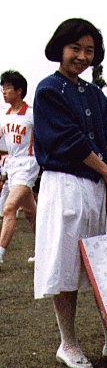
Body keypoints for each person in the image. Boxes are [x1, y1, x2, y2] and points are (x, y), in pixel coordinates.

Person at [33, 18, 107, 368]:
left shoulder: (95, 94)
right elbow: (69, 140)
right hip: (65, 184)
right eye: (76, 48)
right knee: (65, 263)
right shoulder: (48, 90)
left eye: (89, 51)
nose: (82, 57)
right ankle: (67, 343)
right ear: (60, 48)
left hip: (98, 184)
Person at [0, 70, 39, 267]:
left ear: (19, 90)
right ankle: (44, 251)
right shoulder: (4, 116)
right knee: (30, 213)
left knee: (9, 208)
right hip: (12, 165)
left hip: (28, 164)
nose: (4, 92)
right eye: (2, 88)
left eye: (7, 88)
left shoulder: (32, 114)